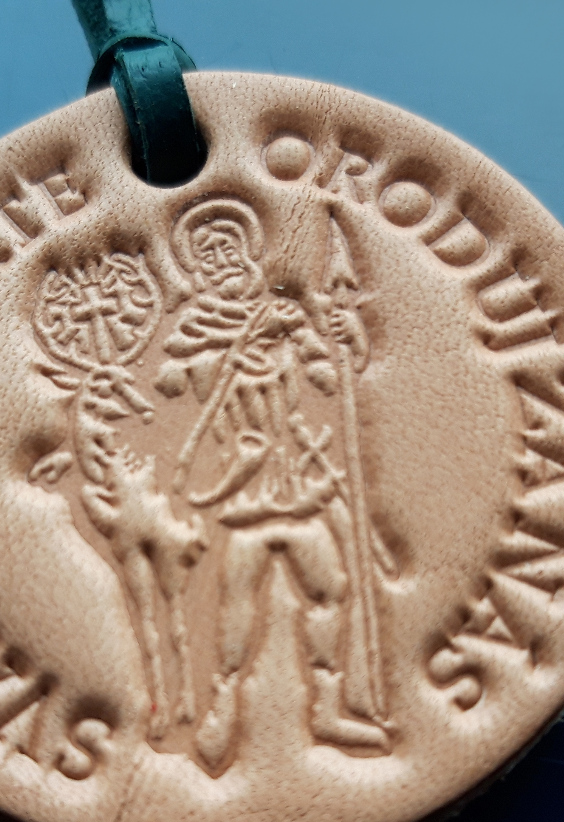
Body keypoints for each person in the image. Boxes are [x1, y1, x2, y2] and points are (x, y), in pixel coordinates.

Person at [155, 199, 389, 770]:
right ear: (195, 271)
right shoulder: (194, 329)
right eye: (207, 256)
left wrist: (348, 337)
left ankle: (327, 710)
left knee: (329, 589)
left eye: (229, 248)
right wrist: (226, 355)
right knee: (237, 596)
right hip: (242, 483)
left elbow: (330, 377)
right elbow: (172, 384)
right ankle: (222, 707)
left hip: (298, 480)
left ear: (249, 253)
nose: (221, 261)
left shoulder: (283, 315)